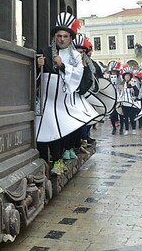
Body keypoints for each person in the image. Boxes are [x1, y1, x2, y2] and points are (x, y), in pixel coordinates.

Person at [36, 12, 99, 174]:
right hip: (45, 100)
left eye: (65, 36)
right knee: (42, 132)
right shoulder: (44, 51)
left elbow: (78, 76)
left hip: (63, 102)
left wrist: (63, 66)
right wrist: (38, 65)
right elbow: (35, 77)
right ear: (54, 36)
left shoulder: (76, 57)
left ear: (70, 38)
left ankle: (58, 161)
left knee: (57, 131)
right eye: (59, 35)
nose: (62, 39)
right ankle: (44, 163)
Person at [117, 67, 140, 135]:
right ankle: (126, 129)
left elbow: (137, 91)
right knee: (125, 117)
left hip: (131, 103)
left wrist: (135, 95)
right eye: (126, 75)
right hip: (124, 103)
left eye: (128, 76)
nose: (127, 77)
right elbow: (119, 94)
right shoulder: (122, 84)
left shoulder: (133, 83)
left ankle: (133, 129)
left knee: (132, 117)